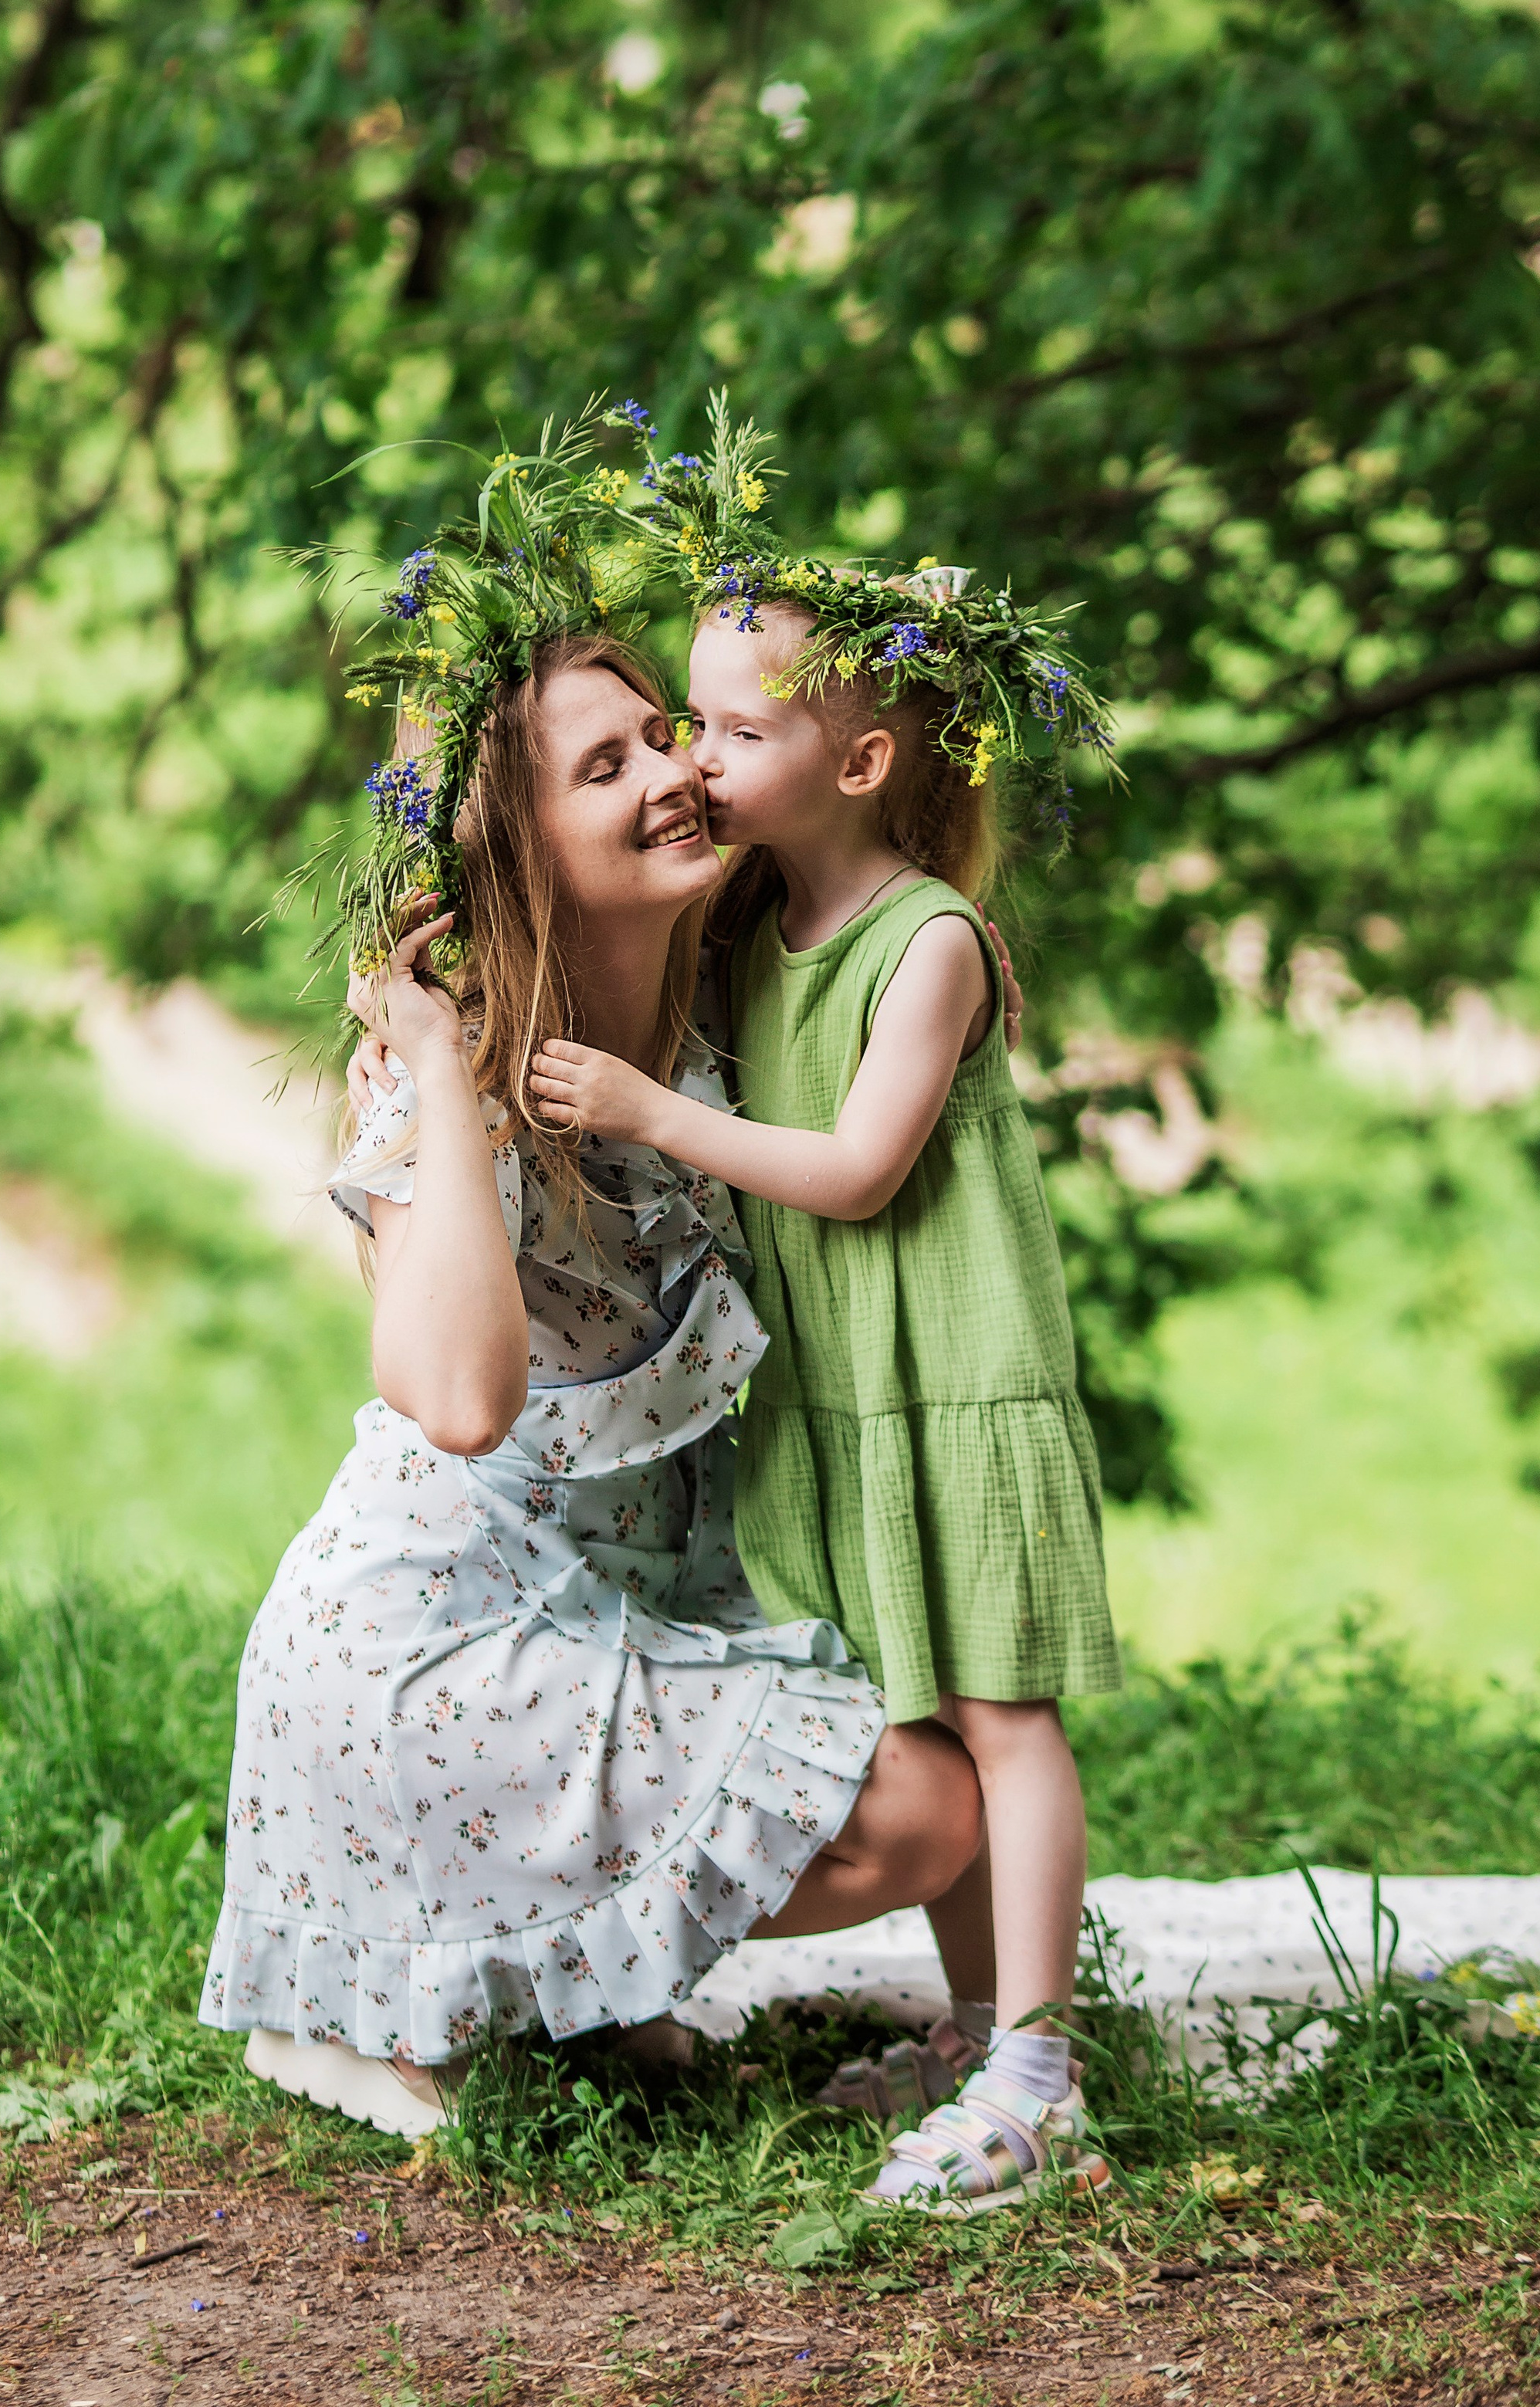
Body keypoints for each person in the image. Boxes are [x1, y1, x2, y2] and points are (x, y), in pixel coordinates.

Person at [199, 452, 981, 2134]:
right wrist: (431, 1059)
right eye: (604, 763)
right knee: (916, 1809)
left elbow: (844, 770)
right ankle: (381, 1993)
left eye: (670, 737)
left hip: (614, 1616)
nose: (674, 776)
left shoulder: (717, 1024)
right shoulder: (449, 1070)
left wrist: (913, 642)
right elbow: (462, 1400)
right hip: (424, 1650)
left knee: (936, 1787)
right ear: (518, 843)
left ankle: (561, 1977)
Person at [527, 422, 1122, 2217]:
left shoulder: (922, 939)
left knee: (1002, 1718)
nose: (697, 760)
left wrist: (643, 1117)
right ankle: (969, 2019)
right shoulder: (756, 927)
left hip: (956, 1385)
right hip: (849, 1397)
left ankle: (1038, 2061)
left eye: (732, 731)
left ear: (858, 760)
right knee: (915, 1712)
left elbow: (857, 1170)